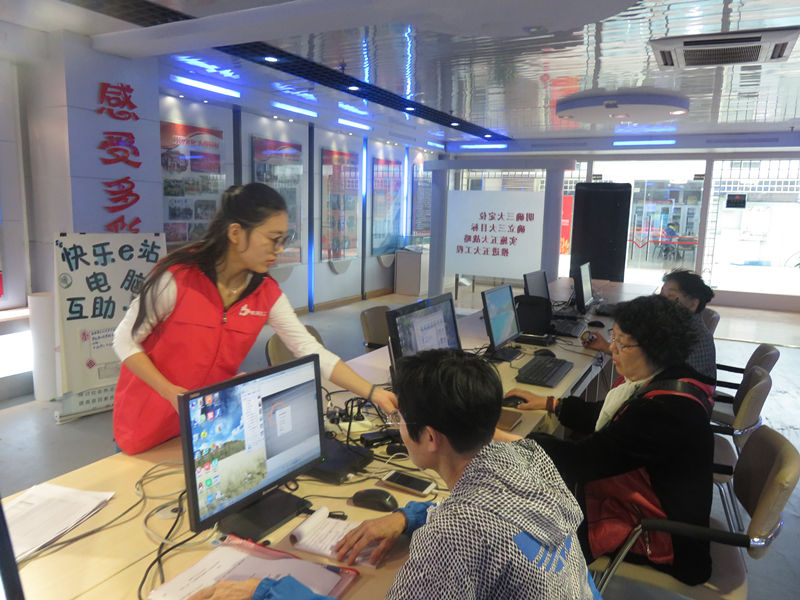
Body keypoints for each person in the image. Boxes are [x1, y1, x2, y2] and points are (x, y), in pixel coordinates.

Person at [189, 349, 600, 600]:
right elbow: (489, 518)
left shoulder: (456, 533)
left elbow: (468, 527)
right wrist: (410, 516)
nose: (397, 426)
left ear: (431, 437)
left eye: (400, 418)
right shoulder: (529, 456)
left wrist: (267, 592)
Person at [112, 183, 396, 455]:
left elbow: (310, 350)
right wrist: (170, 392)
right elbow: (124, 340)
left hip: (208, 424)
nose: (279, 249)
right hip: (146, 424)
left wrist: (374, 393)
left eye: (284, 239)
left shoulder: (265, 292)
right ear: (236, 233)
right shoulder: (178, 278)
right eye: (273, 239)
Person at [499, 295, 715, 585]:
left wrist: (506, 438)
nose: (612, 349)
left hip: (663, 536)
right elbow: (615, 422)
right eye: (615, 339)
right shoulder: (672, 379)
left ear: (655, 349)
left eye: (622, 344)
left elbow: (583, 461)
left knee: (517, 518)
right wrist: (550, 403)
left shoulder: (664, 411)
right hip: (654, 503)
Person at [582, 269, 716, 379]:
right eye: (660, 295)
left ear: (693, 304)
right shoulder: (681, 327)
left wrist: (610, 347)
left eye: (669, 297)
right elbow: (645, 358)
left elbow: (645, 365)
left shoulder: (684, 336)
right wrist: (607, 347)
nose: (660, 302)